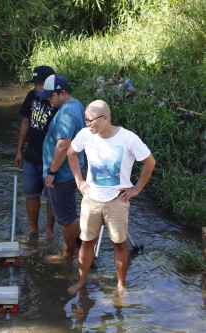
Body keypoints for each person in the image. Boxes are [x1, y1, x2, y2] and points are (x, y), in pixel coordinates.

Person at [67, 100, 155, 294]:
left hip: (117, 201)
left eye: (90, 121)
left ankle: (120, 286)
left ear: (105, 118)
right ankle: (81, 282)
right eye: (85, 120)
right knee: (87, 242)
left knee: (119, 244)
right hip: (91, 199)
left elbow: (149, 162)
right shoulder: (85, 135)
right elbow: (71, 153)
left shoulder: (128, 139)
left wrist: (136, 189)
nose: (87, 124)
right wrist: (79, 181)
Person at [40, 74, 85, 259]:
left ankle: (68, 253)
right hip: (70, 169)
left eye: (51, 96)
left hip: (62, 174)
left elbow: (63, 145)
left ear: (63, 93)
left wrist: (52, 172)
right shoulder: (76, 105)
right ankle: (77, 245)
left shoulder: (66, 113)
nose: (48, 99)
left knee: (67, 217)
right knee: (66, 212)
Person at [14, 65, 57, 235]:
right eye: (36, 84)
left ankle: (49, 230)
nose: (38, 87)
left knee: (51, 197)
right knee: (30, 193)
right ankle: (33, 229)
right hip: (31, 156)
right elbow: (25, 122)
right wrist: (19, 150)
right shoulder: (32, 97)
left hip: (50, 160)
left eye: (41, 84)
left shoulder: (57, 101)